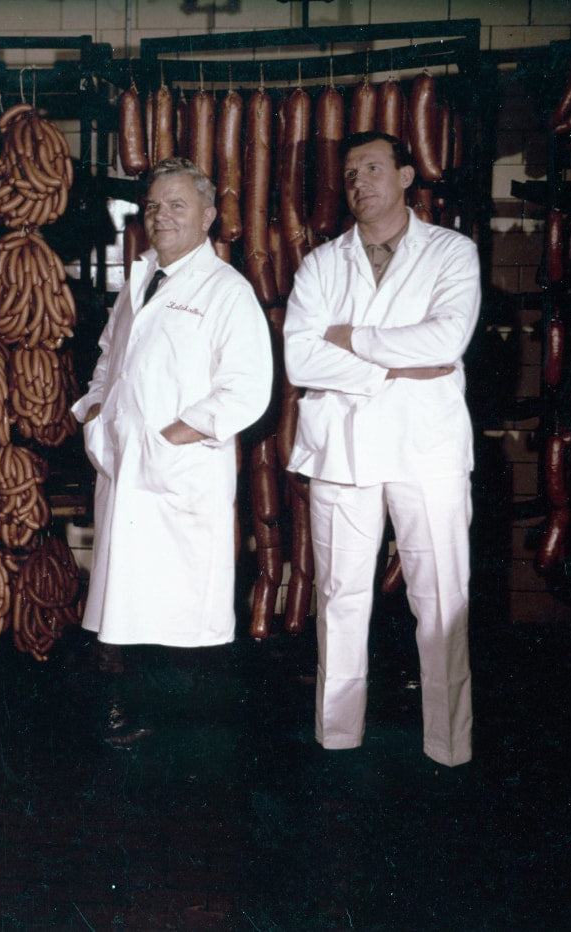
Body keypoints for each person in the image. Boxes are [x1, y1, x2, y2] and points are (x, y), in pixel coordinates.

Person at [282, 131, 480, 769]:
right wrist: (396, 364)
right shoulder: (320, 263)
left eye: (371, 168)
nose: (358, 182)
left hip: (428, 451)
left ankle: (449, 745)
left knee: (441, 600)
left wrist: (352, 340)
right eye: (348, 174)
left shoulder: (453, 252)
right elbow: (299, 358)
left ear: (405, 175)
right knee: (340, 597)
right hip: (344, 451)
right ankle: (337, 738)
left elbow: (445, 341)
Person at [71, 157, 274, 745]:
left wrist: (174, 437)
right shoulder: (140, 282)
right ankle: (132, 716)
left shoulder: (226, 291)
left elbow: (248, 389)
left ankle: (195, 739)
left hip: (178, 472)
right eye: (154, 206)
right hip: (126, 467)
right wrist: (93, 410)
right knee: (125, 602)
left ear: (209, 216)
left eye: (177, 205)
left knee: (182, 609)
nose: (162, 217)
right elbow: (111, 356)